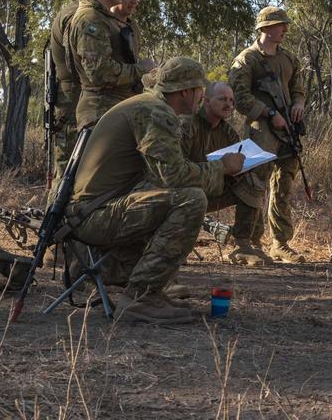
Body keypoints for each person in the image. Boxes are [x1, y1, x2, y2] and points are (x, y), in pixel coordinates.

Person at [67, 57, 244, 324]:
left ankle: (147, 289)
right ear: (186, 91)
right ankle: (141, 297)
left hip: (93, 211)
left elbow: (161, 176)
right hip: (95, 217)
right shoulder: (155, 112)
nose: (200, 96)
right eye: (199, 90)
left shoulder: (147, 105)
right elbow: (173, 176)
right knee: (191, 200)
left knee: (182, 195)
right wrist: (222, 168)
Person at [229, 6, 306, 263]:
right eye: (279, 24)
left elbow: (298, 86)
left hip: (288, 132)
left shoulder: (288, 58)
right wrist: (269, 114)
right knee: (253, 185)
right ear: (264, 28)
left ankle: (280, 243)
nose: (284, 29)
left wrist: (298, 103)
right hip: (261, 131)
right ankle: (245, 242)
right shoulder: (247, 60)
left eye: (285, 24)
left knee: (283, 186)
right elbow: (239, 99)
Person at [180, 81, 273, 266]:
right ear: (206, 102)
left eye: (231, 100)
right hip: (184, 192)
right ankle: (176, 245)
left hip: (213, 189)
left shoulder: (228, 132)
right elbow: (176, 171)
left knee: (251, 182)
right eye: (222, 99)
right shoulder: (186, 125)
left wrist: (242, 168)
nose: (229, 104)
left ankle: (243, 245)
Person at [68, 0, 157, 127]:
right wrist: (141, 69)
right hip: (100, 112)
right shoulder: (91, 19)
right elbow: (100, 73)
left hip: (113, 109)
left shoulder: (103, 18)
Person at [47, 0, 91, 180]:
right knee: (67, 171)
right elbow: (81, 64)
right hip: (73, 102)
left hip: (70, 101)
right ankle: (54, 213)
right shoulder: (76, 17)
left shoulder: (67, 14)